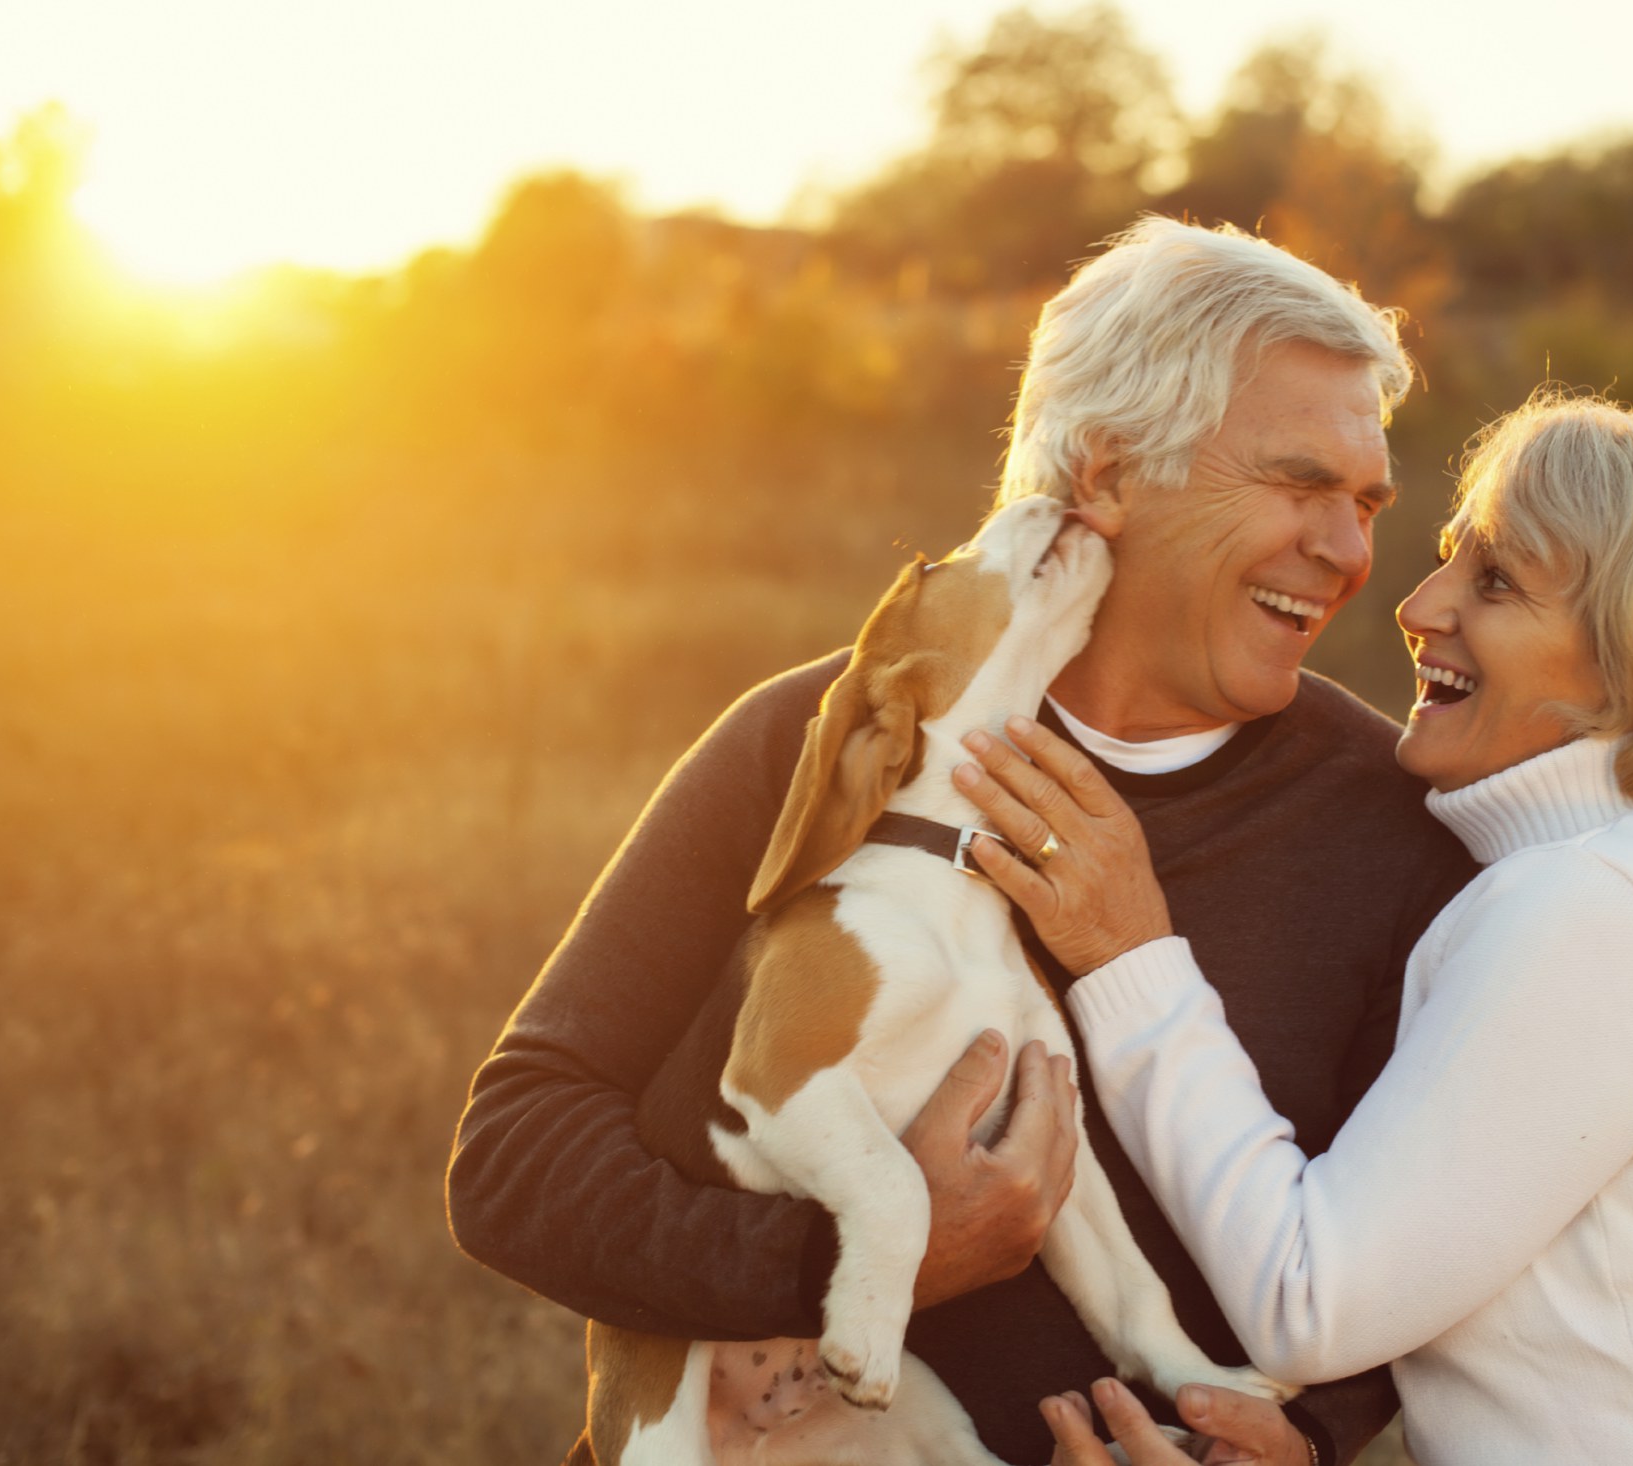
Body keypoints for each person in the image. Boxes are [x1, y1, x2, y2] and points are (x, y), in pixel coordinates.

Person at [445, 218, 1478, 1465]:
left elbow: (1417, 1259)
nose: (1348, 552)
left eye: (1365, 502)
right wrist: (857, 1261)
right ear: (1100, 470)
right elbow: (513, 1155)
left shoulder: (1395, 831)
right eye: (1297, 484)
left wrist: (1294, 1443)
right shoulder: (820, 740)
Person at [954, 390, 1633, 1465]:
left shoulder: (1596, 909)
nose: (1416, 602)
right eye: (1450, 557)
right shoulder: (1627, 884)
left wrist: (1128, 954)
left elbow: (1310, 1297)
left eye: (1495, 580)